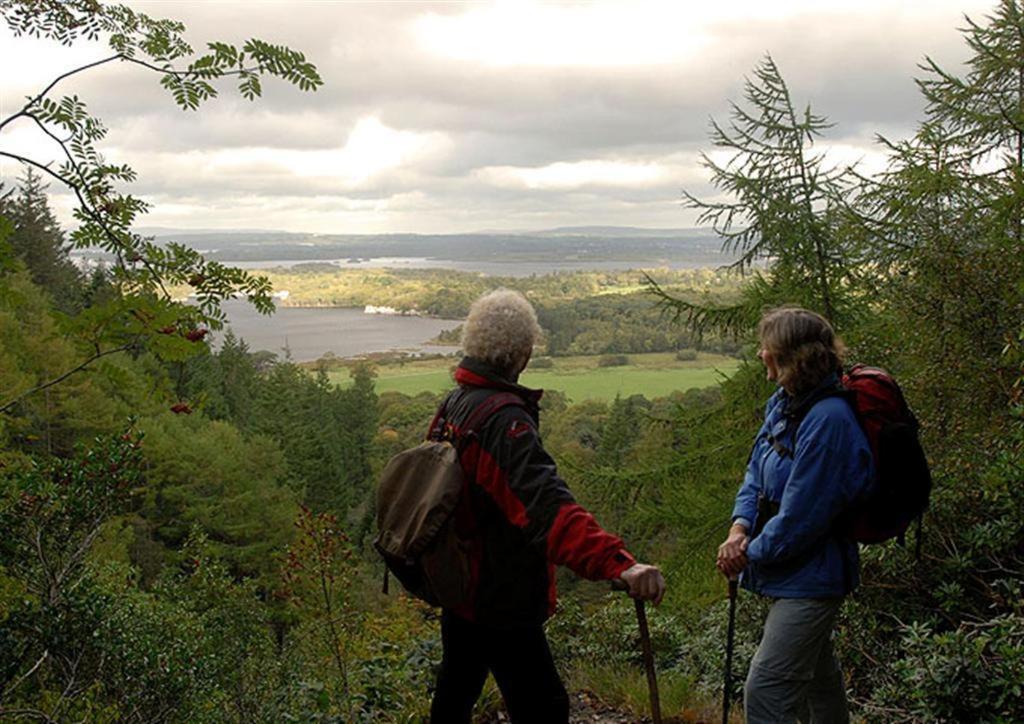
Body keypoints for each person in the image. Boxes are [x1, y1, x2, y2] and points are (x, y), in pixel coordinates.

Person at [429, 289, 666, 724]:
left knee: (455, 692)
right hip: (500, 594)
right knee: (545, 709)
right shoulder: (504, 421)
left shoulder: (457, 403)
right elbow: (547, 510)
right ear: (523, 351)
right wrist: (618, 563)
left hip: (461, 584)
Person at [716, 307, 873, 724]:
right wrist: (739, 527)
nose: (758, 353)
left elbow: (803, 518)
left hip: (815, 577)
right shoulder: (785, 403)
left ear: (788, 356)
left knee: (766, 690)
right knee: (820, 683)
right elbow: (756, 472)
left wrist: (746, 553)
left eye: (765, 346)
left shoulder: (829, 421)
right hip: (792, 571)